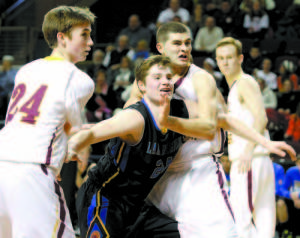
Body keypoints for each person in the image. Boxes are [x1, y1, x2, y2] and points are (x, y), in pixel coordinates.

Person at [124, 22, 296, 238]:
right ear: (160, 48)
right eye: (177, 43)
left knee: (238, 227)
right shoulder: (150, 74)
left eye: (187, 43)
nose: (184, 49)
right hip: (159, 171)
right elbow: (128, 113)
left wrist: (167, 120)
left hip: (199, 171)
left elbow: (214, 124)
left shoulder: (203, 79)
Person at [0, 5, 95, 238]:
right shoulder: (80, 79)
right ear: (62, 37)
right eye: (84, 34)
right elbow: (73, 129)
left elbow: (46, 118)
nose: (91, 42)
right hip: (33, 168)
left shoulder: (26, 69)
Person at [69, 55, 190, 238]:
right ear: (141, 86)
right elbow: (94, 133)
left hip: (138, 205)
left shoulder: (181, 113)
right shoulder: (135, 118)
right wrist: (72, 146)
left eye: (168, 77)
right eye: (157, 78)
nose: (165, 81)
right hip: (105, 198)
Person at [215, 36, 277, 238]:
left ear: (240, 58)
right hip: (258, 160)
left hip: (248, 160)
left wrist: (247, 151)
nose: (225, 62)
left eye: (230, 57)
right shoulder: (236, 88)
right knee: (264, 223)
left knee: (241, 222)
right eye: (221, 58)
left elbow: (261, 118)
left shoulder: (244, 83)